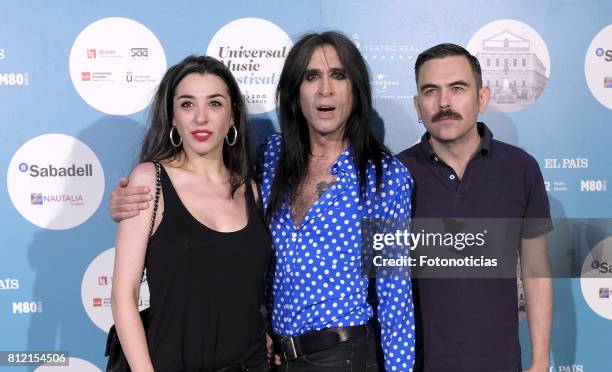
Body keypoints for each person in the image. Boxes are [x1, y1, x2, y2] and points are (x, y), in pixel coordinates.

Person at [111, 32, 416, 371]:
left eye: (338, 75)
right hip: (271, 358)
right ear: (295, 92)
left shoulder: (384, 177)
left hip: (342, 357)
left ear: (355, 90)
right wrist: (128, 205)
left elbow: (394, 293)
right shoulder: (269, 160)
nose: (325, 89)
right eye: (311, 76)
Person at [397, 43, 553, 372]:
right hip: (418, 364)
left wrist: (540, 360)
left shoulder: (520, 168)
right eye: (430, 91)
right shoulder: (396, 174)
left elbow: (536, 269)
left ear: (482, 98)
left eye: (457, 88)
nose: (444, 103)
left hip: (501, 363)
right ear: (417, 105)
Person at [110, 55, 271, 372]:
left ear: (232, 116)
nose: (200, 117)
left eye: (214, 103)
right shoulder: (150, 180)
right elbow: (122, 295)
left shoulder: (252, 191)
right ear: (172, 117)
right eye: (187, 104)